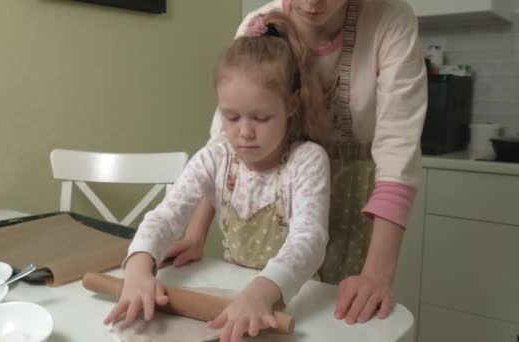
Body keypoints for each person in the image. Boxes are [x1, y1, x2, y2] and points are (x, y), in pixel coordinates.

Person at [166, 0, 427, 325]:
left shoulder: (389, 21)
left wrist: (376, 274)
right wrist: (195, 235)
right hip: (277, 205)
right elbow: (224, 149)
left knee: (332, 322)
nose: (311, 2)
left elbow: (397, 152)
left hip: (352, 208)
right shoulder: (259, 25)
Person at [103, 12, 331, 342]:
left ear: (291, 105)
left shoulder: (307, 161)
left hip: (294, 300)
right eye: (231, 116)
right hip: (231, 294)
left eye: (261, 117)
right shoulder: (215, 158)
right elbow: (166, 216)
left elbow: (309, 240)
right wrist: (138, 269)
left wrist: (260, 294)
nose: (245, 133)